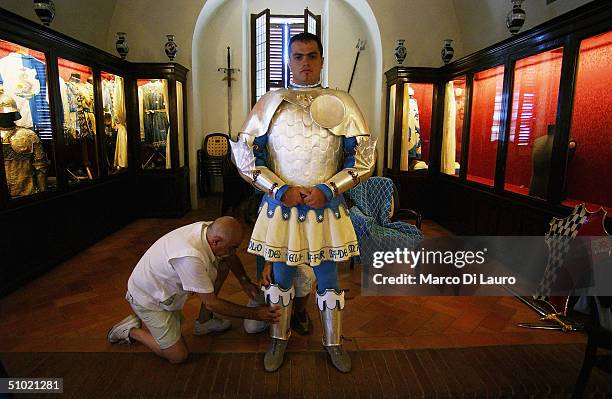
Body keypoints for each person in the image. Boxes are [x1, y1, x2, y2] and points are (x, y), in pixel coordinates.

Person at [231, 32, 376, 372]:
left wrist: (329, 188)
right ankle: (278, 341)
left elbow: (365, 157)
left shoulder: (343, 101)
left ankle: (334, 344)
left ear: (322, 60)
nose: (305, 62)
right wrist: (280, 189)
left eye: (311, 56)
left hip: (325, 207)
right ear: (289, 61)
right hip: (284, 206)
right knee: (281, 277)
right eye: (298, 56)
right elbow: (244, 155)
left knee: (329, 279)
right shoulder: (270, 101)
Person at [107, 216, 281, 364]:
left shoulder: (209, 230)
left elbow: (229, 257)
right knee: (177, 356)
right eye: (232, 247)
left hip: (164, 288)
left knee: (223, 264)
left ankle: (204, 323)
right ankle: (129, 330)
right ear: (216, 241)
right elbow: (212, 303)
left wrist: (244, 281)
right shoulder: (190, 257)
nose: (234, 251)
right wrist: (256, 314)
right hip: (148, 299)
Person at [0, 90, 48, 198]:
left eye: (8, 114)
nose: (4, 117)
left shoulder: (29, 136)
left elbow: (40, 167)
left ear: (14, 114)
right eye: (2, 114)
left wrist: (43, 195)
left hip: (26, 193)